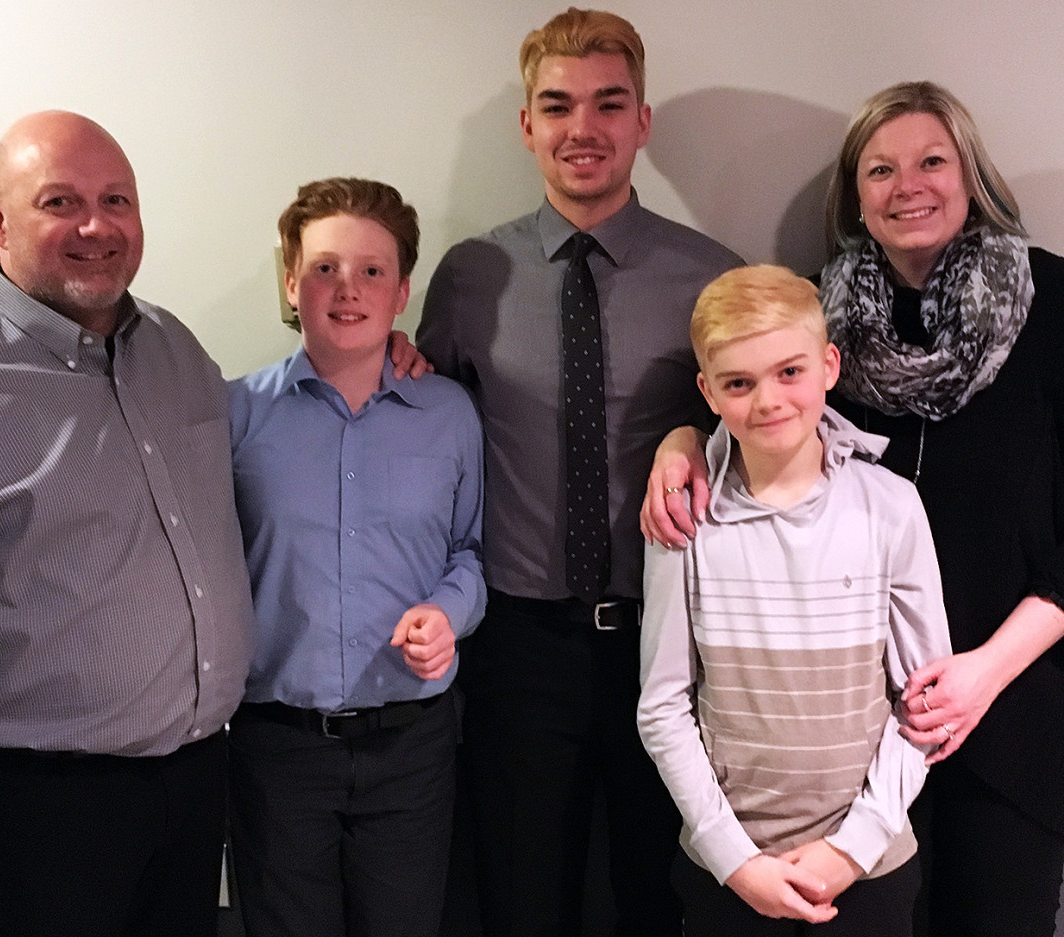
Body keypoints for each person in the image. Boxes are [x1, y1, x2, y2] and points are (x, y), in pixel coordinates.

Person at [641, 81, 1064, 937]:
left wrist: (986, 669)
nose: (908, 186)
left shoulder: (1061, 302)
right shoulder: (824, 311)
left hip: (1014, 701)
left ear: (971, 174)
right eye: (881, 169)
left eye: (932, 161)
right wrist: (679, 441)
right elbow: (740, 391)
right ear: (854, 195)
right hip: (856, 739)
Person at [417, 8, 742, 935]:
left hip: (671, 641)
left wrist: (690, 430)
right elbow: (429, 428)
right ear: (528, 126)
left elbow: (765, 427)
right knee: (523, 897)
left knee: (660, 897)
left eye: (608, 103)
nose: (582, 128)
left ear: (643, 121)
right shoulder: (470, 276)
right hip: (518, 646)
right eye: (558, 106)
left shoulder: (713, 278)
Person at [0, 110, 257, 937]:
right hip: (30, 815)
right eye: (60, 201)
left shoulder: (177, 351)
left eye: (116, 200)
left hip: (193, 788)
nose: (97, 226)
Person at [638, 264, 952, 936]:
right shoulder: (683, 518)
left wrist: (853, 847)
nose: (768, 400)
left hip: (870, 868)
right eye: (739, 383)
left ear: (829, 366)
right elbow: (662, 706)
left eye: (789, 372)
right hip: (728, 870)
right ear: (708, 392)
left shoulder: (891, 507)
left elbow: (924, 703)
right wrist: (735, 860)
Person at [228, 177, 485, 937]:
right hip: (277, 746)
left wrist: (447, 614)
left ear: (402, 292)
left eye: (372, 270)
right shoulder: (234, 414)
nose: (348, 289)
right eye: (324, 268)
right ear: (290, 282)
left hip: (412, 745)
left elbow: (471, 552)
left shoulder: (450, 414)